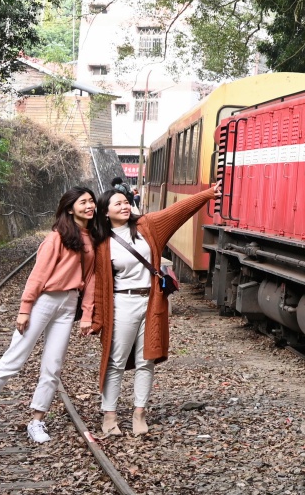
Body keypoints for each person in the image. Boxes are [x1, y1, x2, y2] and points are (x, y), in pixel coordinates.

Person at [0, 187, 100, 445]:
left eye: (91, 201)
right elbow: (37, 275)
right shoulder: (57, 237)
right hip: (44, 301)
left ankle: (37, 420)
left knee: (53, 366)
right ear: (70, 208)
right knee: (15, 358)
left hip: (69, 303)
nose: (89, 205)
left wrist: (86, 313)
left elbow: (91, 278)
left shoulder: (92, 238)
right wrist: (25, 308)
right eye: (83, 202)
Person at [89, 184, 216, 436]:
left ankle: (139, 414)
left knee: (146, 360)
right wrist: (92, 317)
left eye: (126, 202)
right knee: (115, 361)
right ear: (105, 212)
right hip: (121, 304)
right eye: (118, 204)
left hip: (151, 302)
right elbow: (96, 285)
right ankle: (109, 415)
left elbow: (178, 211)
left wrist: (208, 194)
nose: (125, 206)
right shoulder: (100, 242)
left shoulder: (147, 226)